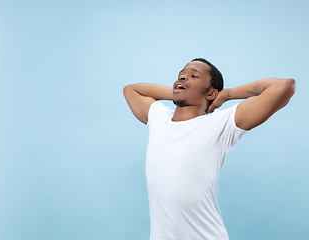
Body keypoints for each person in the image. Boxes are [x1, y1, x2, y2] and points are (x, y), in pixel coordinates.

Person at [123, 58, 296, 240]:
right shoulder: (159, 117)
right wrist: (184, 91)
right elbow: (131, 90)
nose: (183, 77)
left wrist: (225, 94)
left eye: (193, 75)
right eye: (181, 74)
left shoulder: (222, 123)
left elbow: (284, 87)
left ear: (212, 93)